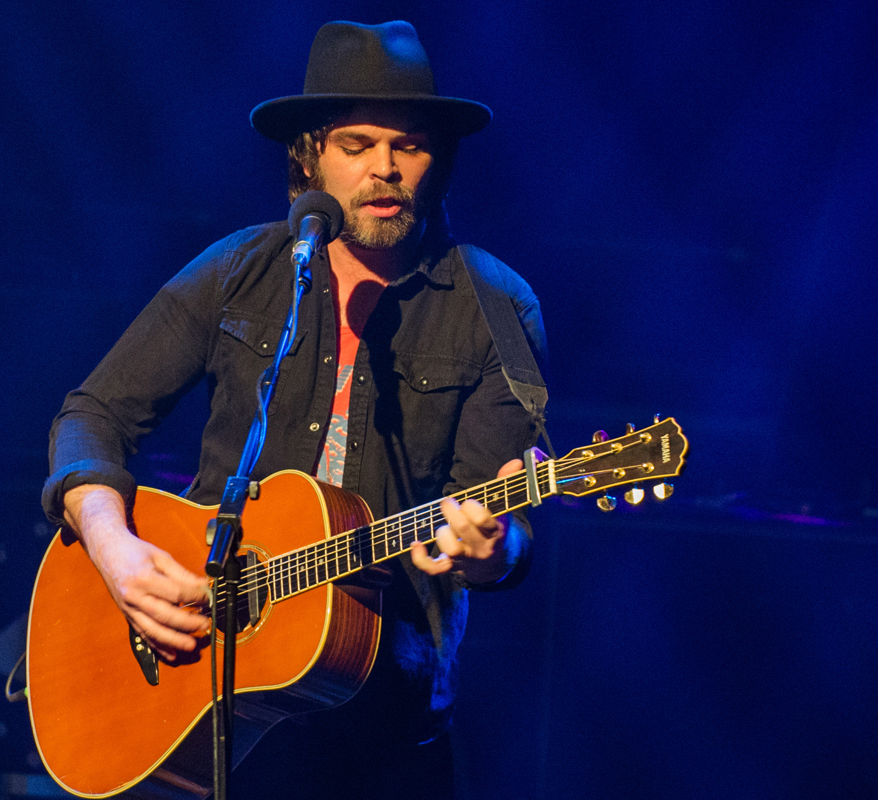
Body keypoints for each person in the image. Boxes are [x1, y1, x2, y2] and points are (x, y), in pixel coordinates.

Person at [41, 20, 546, 799]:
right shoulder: (241, 270)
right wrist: (113, 549)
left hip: (383, 719)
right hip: (210, 693)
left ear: (438, 158)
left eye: (408, 145)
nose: (385, 168)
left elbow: (500, 529)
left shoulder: (497, 306)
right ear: (309, 154)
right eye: (357, 144)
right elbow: (95, 413)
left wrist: (494, 548)